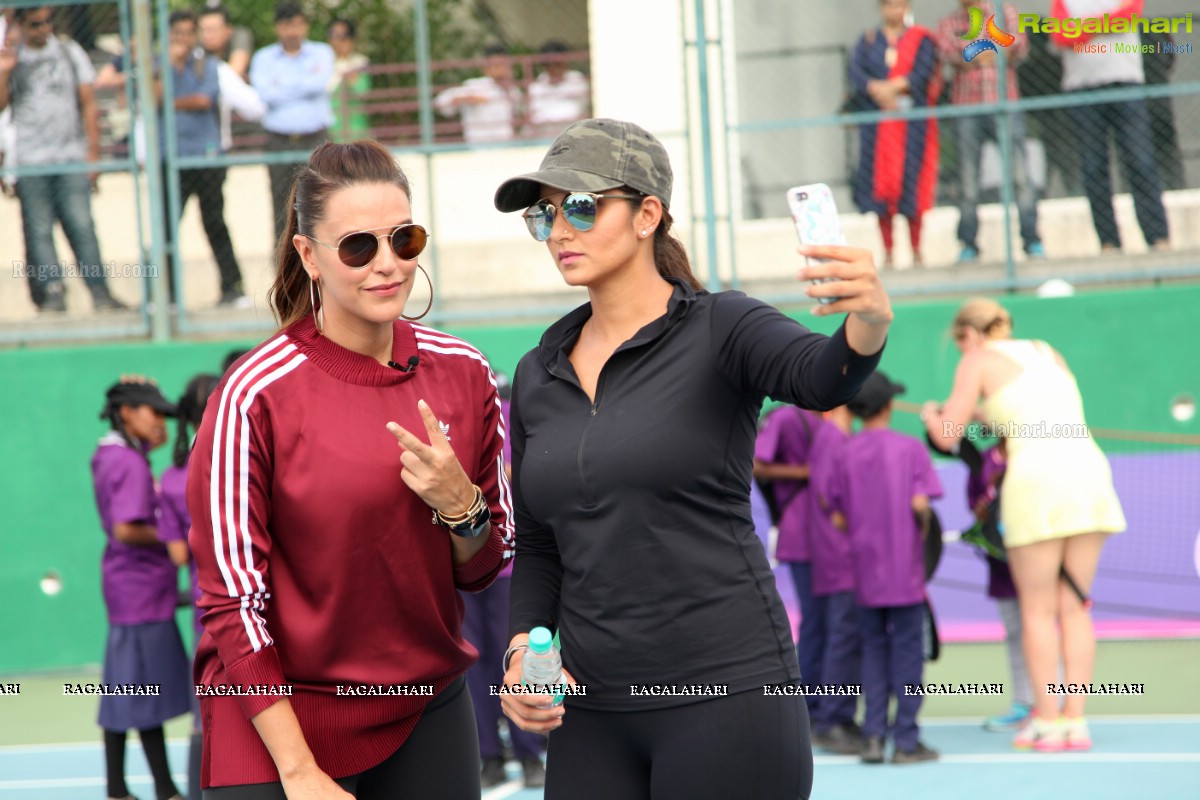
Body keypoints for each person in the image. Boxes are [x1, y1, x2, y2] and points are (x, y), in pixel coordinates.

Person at [493, 117, 893, 799]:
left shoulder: (722, 328)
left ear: (648, 213)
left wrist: (869, 318)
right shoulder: (538, 371)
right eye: (546, 214)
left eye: (583, 207)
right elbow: (538, 544)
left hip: (726, 694)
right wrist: (521, 654)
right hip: (590, 710)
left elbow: (823, 377)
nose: (561, 229)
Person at [186, 139, 514, 796]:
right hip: (279, 717)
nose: (388, 264)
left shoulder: (466, 371)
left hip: (425, 706)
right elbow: (232, 603)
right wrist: (300, 770)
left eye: (405, 239)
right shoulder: (252, 394)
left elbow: (483, 566)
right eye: (358, 246)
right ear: (309, 254)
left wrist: (463, 508)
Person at [920, 298, 1126, 751]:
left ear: (969, 336)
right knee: (1075, 606)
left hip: (1036, 481)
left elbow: (948, 437)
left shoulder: (976, 359)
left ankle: (1047, 721)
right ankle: (1076, 721)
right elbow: (1026, 414)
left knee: (1036, 611)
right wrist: (980, 415)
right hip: (1089, 473)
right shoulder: (1046, 351)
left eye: (958, 345)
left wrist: (935, 417)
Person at [828, 371, 943, 764]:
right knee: (908, 652)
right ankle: (906, 741)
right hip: (904, 575)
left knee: (874, 651)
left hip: (865, 573)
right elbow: (919, 504)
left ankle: (874, 736)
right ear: (889, 406)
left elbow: (837, 514)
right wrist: (920, 526)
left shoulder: (845, 452)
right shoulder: (909, 449)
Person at [93, 377, 191, 800]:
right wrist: (176, 534)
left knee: (131, 689)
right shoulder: (128, 463)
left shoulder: (117, 455)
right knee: (133, 691)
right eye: (154, 413)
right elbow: (125, 528)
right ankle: (153, 789)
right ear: (128, 413)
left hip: (133, 591)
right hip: (139, 593)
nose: (162, 423)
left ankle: (136, 787)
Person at [0, 6, 125, 312]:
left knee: (82, 225)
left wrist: (92, 155)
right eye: (35, 25)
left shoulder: (69, 52)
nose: (43, 29)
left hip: (70, 157)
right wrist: (5, 71)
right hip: (30, 159)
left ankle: (99, 292)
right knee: (39, 231)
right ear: (21, 26)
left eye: (47, 23)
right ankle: (52, 293)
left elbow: (88, 103)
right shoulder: (12, 59)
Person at [462, 373, 547, 790]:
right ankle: (495, 754)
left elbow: (526, 474)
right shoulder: (453, 419)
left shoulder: (512, 417)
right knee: (482, 660)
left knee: (510, 656)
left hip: (505, 562)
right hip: (462, 562)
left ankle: (519, 752)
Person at [1048, 0, 1169, 253]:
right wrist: (1105, 24)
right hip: (1082, 89)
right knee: (1094, 168)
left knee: (1140, 161)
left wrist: (1083, 29)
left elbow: (1129, 14)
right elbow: (1060, 35)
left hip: (1126, 83)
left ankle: (1158, 237)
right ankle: (1108, 242)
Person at [936, 1, 1044, 263]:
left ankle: (1032, 241)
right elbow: (948, 53)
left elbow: (1018, 46)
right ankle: (969, 245)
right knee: (968, 182)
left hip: (1004, 104)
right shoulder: (949, 22)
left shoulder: (1005, 14)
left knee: (1020, 176)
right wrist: (990, 50)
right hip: (966, 109)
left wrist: (973, 53)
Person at [159, 10, 250, 307]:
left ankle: (232, 288)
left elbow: (203, 100)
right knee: (166, 227)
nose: (182, 39)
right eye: (177, 33)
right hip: (171, 159)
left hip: (206, 158)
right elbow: (150, 97)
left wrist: (169, 102)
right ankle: (166, 296)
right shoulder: (159, 66)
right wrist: (168, 70)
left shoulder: (209, 65)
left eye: (187, 32)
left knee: (214, 222)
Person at [159, 372, 222, 800]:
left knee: (207, 710)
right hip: (253, 599)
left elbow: (180, 555)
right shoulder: (236, 456)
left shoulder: (170, 477)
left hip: (207, 604)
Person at [848, 0, 942, 268]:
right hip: (878, 127)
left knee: (912, 183)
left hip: (911, 126)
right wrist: (876, 89)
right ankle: (888, 251)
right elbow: (856, 72)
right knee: (882, 188)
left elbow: (924, 72)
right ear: (881, 9)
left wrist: (896, 86)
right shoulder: (868, 40)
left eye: (899, 6)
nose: (894, 12)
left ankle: (916, 250)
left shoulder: (921, 39)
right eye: (890, 6)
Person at [753, 406, 823, 722]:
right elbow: (757, 464)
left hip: (826, 537)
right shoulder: (785, 417)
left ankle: (821, 703)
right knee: (815, 621)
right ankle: (806, 703)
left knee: (829, 623)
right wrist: (807, 472)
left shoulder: (821, 418)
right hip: (801, 534)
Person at [806, 404, 863, 755]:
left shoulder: (843, 437)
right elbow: (830, 498)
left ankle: (839, 716)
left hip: (846, 556)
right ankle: (831, 720)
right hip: (839, 557)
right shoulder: (831, 438)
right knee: (842, 638)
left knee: (845, 637)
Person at [250, 2, 333, 241]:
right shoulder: (263, 57)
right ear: (278, 28)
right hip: (279, 141)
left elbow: (319, 84)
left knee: (322, 203)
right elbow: (265, 94)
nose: (293, 31)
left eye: (298, 23)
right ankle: (284, 272)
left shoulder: (322, 52)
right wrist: (303, 84)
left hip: (316, 141)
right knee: (282, 208)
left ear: (306, 26)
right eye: (287, 24)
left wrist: (281, 86)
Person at [434, 44, 521, 144]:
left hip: (505, 145)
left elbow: (521, 115)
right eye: (495, 65)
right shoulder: (473, 86)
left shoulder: (514, 91)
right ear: (486, 67)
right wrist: (465, 98)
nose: (499, 69)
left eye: (502, 65)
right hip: (477, 145)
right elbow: (441, 103)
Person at [526, 40, 589, 140]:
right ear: (544, 65)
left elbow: (575, 112)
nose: (554, 68)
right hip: (545, 141)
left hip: (574, 139)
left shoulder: (576, 80)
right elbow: (537, 119)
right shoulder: (536, 87)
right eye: (550, 64)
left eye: (558, 63)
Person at [327, 17, 370, 142]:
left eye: (343, 36)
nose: (338, 41)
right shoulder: (322, 65)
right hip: (327, 133)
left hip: (355, 132)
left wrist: (348, 68)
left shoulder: (359, 63)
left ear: (352, 39)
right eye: (334, 35)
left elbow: (362, 92)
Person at [198, 3, 253, 81]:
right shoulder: (197, 44)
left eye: (212, 30)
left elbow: (234, 74)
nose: (206, 35)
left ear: (228, 31)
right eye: (203, 30)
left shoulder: (239, 36)